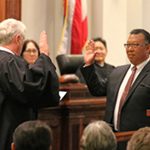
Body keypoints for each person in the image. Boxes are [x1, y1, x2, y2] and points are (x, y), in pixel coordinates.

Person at [81, 29, 150, 149]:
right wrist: (89, 65)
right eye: (127, 45)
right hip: (112, 140)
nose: (129, 49)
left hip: (138, 143)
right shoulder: (117, 71)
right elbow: (97, 90)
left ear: (148, 48)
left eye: (134, 45)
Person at [0, 18, 60, 150]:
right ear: (18, 39)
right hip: (9, 129)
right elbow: (30, 87)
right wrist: (43, 56)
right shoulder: (9, 62)